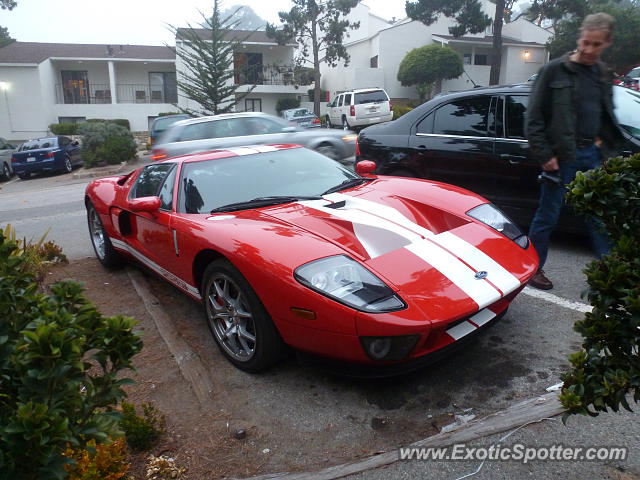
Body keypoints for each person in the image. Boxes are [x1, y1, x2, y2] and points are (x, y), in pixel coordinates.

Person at [525, 12, 624, 290]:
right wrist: (545, 156)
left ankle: (609, 276)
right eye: (586, 42)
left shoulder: (603, 75)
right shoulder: (553, 71)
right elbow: (533, 119)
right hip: (560, 157)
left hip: (592, 155)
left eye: (596, 44)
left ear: (607, 43)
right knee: (548, 215)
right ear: (579, 38)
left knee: (599, 217)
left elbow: (608, 116)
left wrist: (607, 154)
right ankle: (534, 268)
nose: (589, 50)